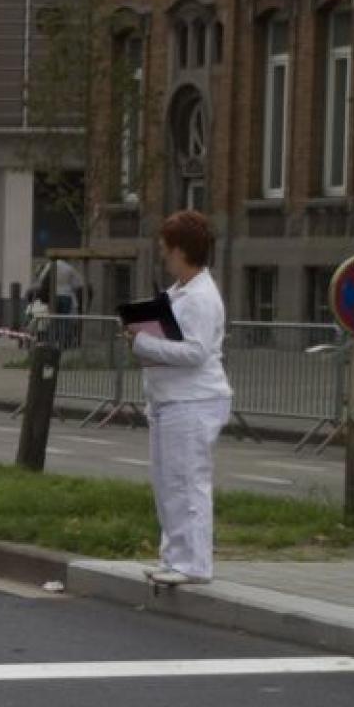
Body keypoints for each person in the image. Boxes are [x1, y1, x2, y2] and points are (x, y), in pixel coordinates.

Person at [129, 210, 232, 586]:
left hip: (193, 401)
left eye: (166, 248)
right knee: (168, 483)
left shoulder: (201, 297)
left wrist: (143, 343)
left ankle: (194, 563)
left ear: (181, 251)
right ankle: (175, 556)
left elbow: (196, 351)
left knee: (187, 481)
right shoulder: (179, 293)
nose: (162, 254)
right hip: (170, 399)